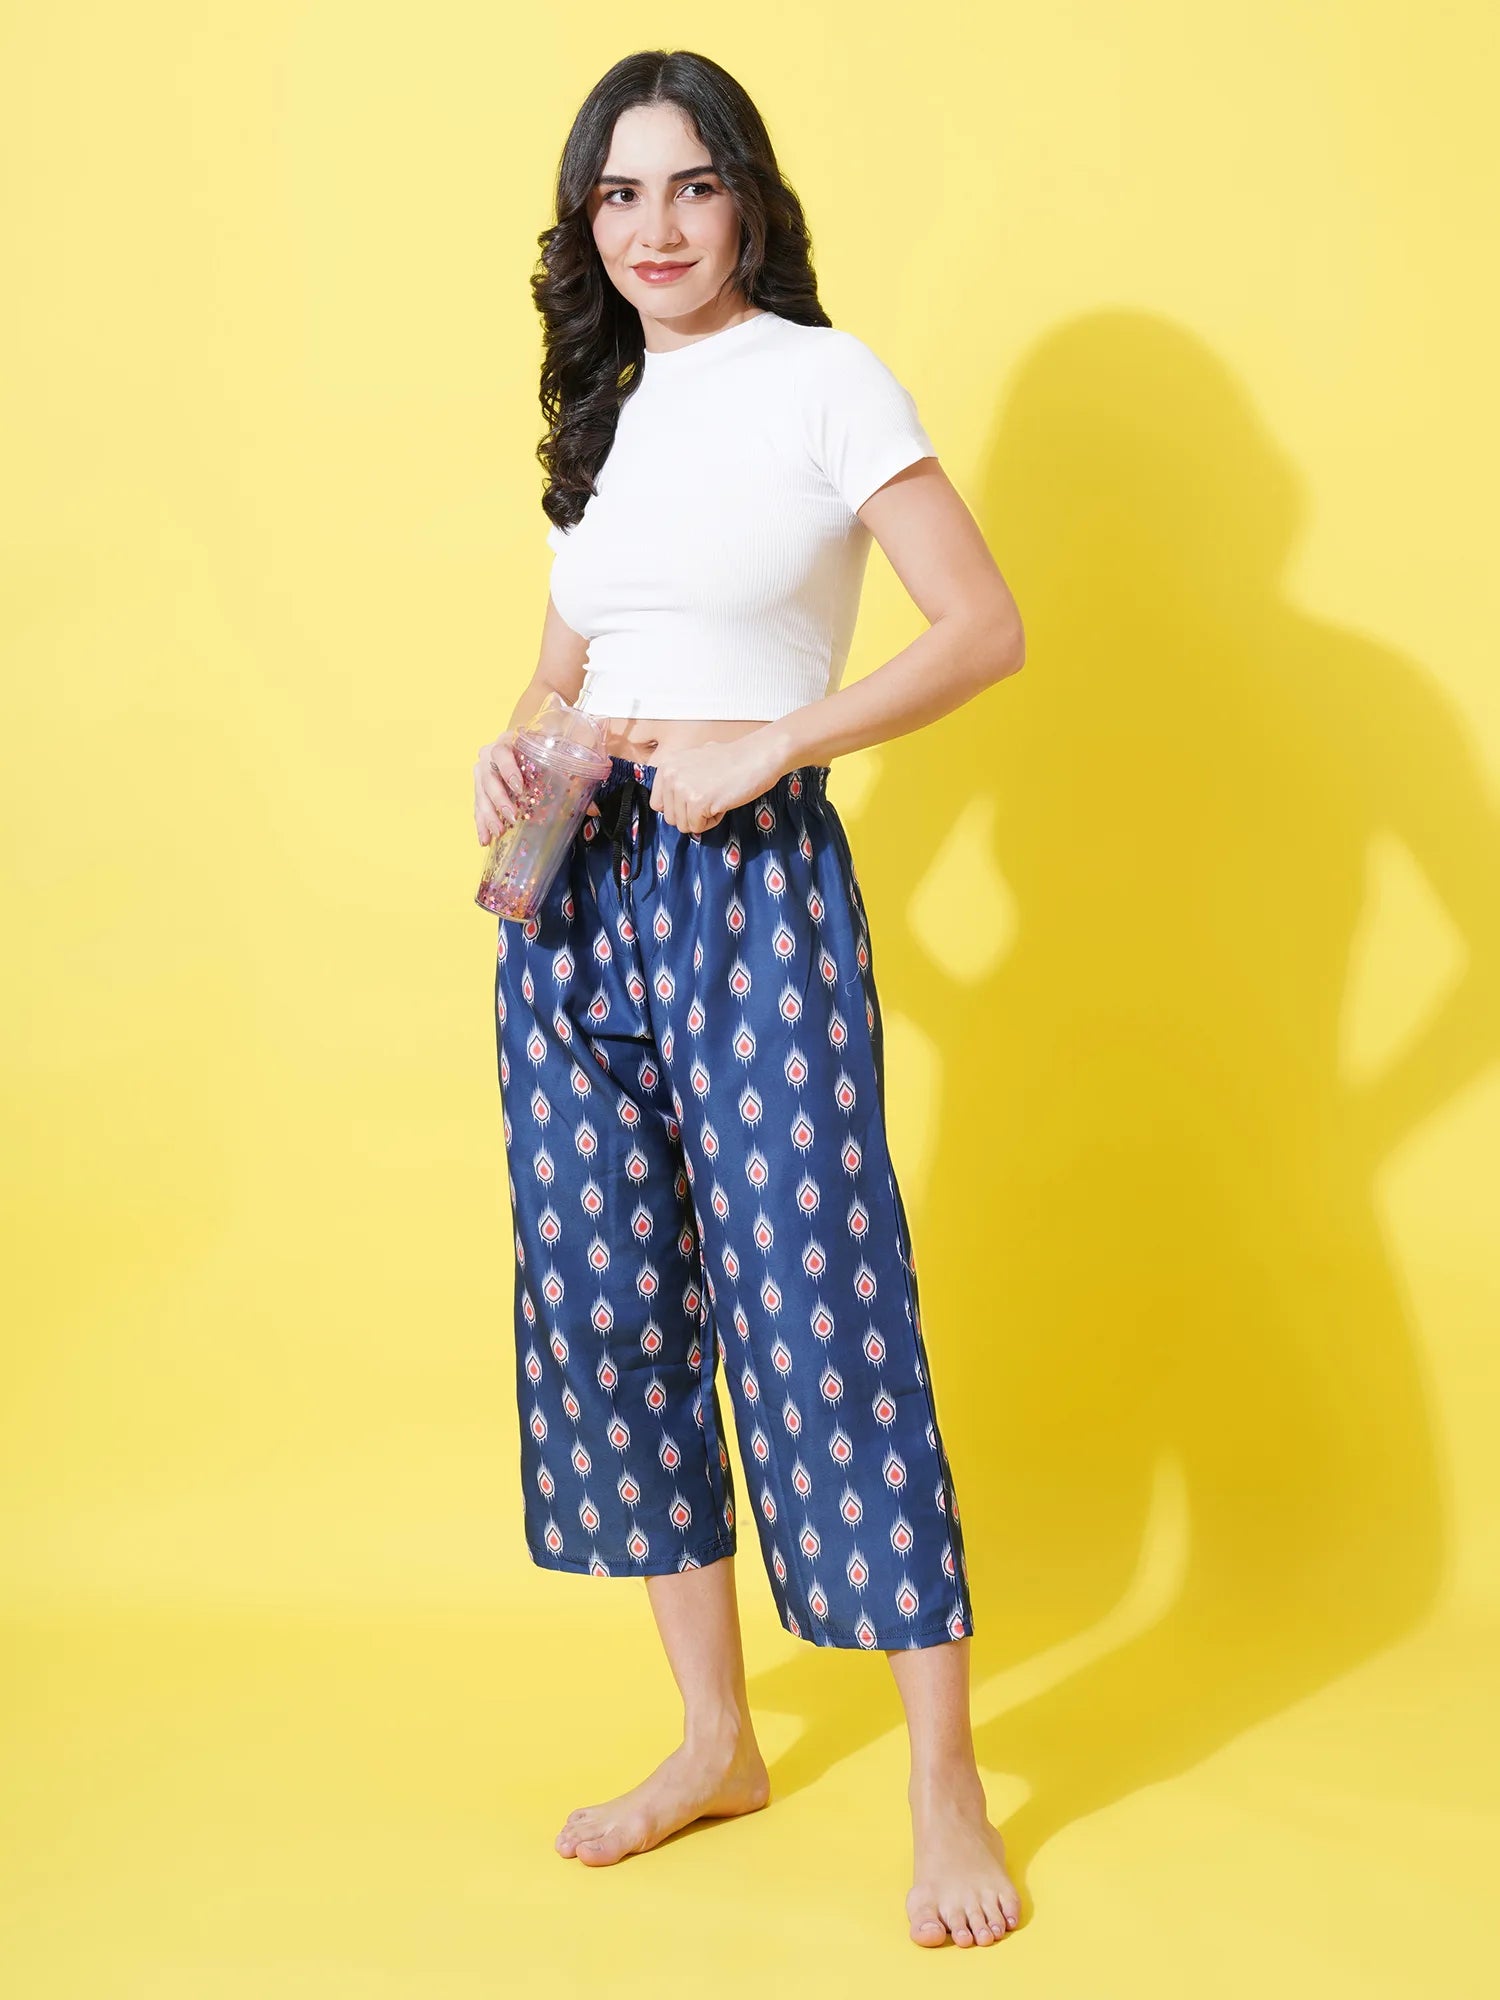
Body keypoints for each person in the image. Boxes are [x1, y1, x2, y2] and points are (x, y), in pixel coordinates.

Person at [472, 50, 1026, 1949]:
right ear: (588, 224)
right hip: (571, 886)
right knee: (606, 1303)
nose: (656, 228)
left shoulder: (823, 378)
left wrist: (776, 742)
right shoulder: (606, 413)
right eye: (620, 195)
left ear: (749, 202)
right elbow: (567, 664)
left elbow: (984, 625)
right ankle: (717, 1739)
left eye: (691, 186)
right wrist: (514, 744)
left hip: (750, 881)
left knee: (816, 1304)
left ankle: (946, 1783)